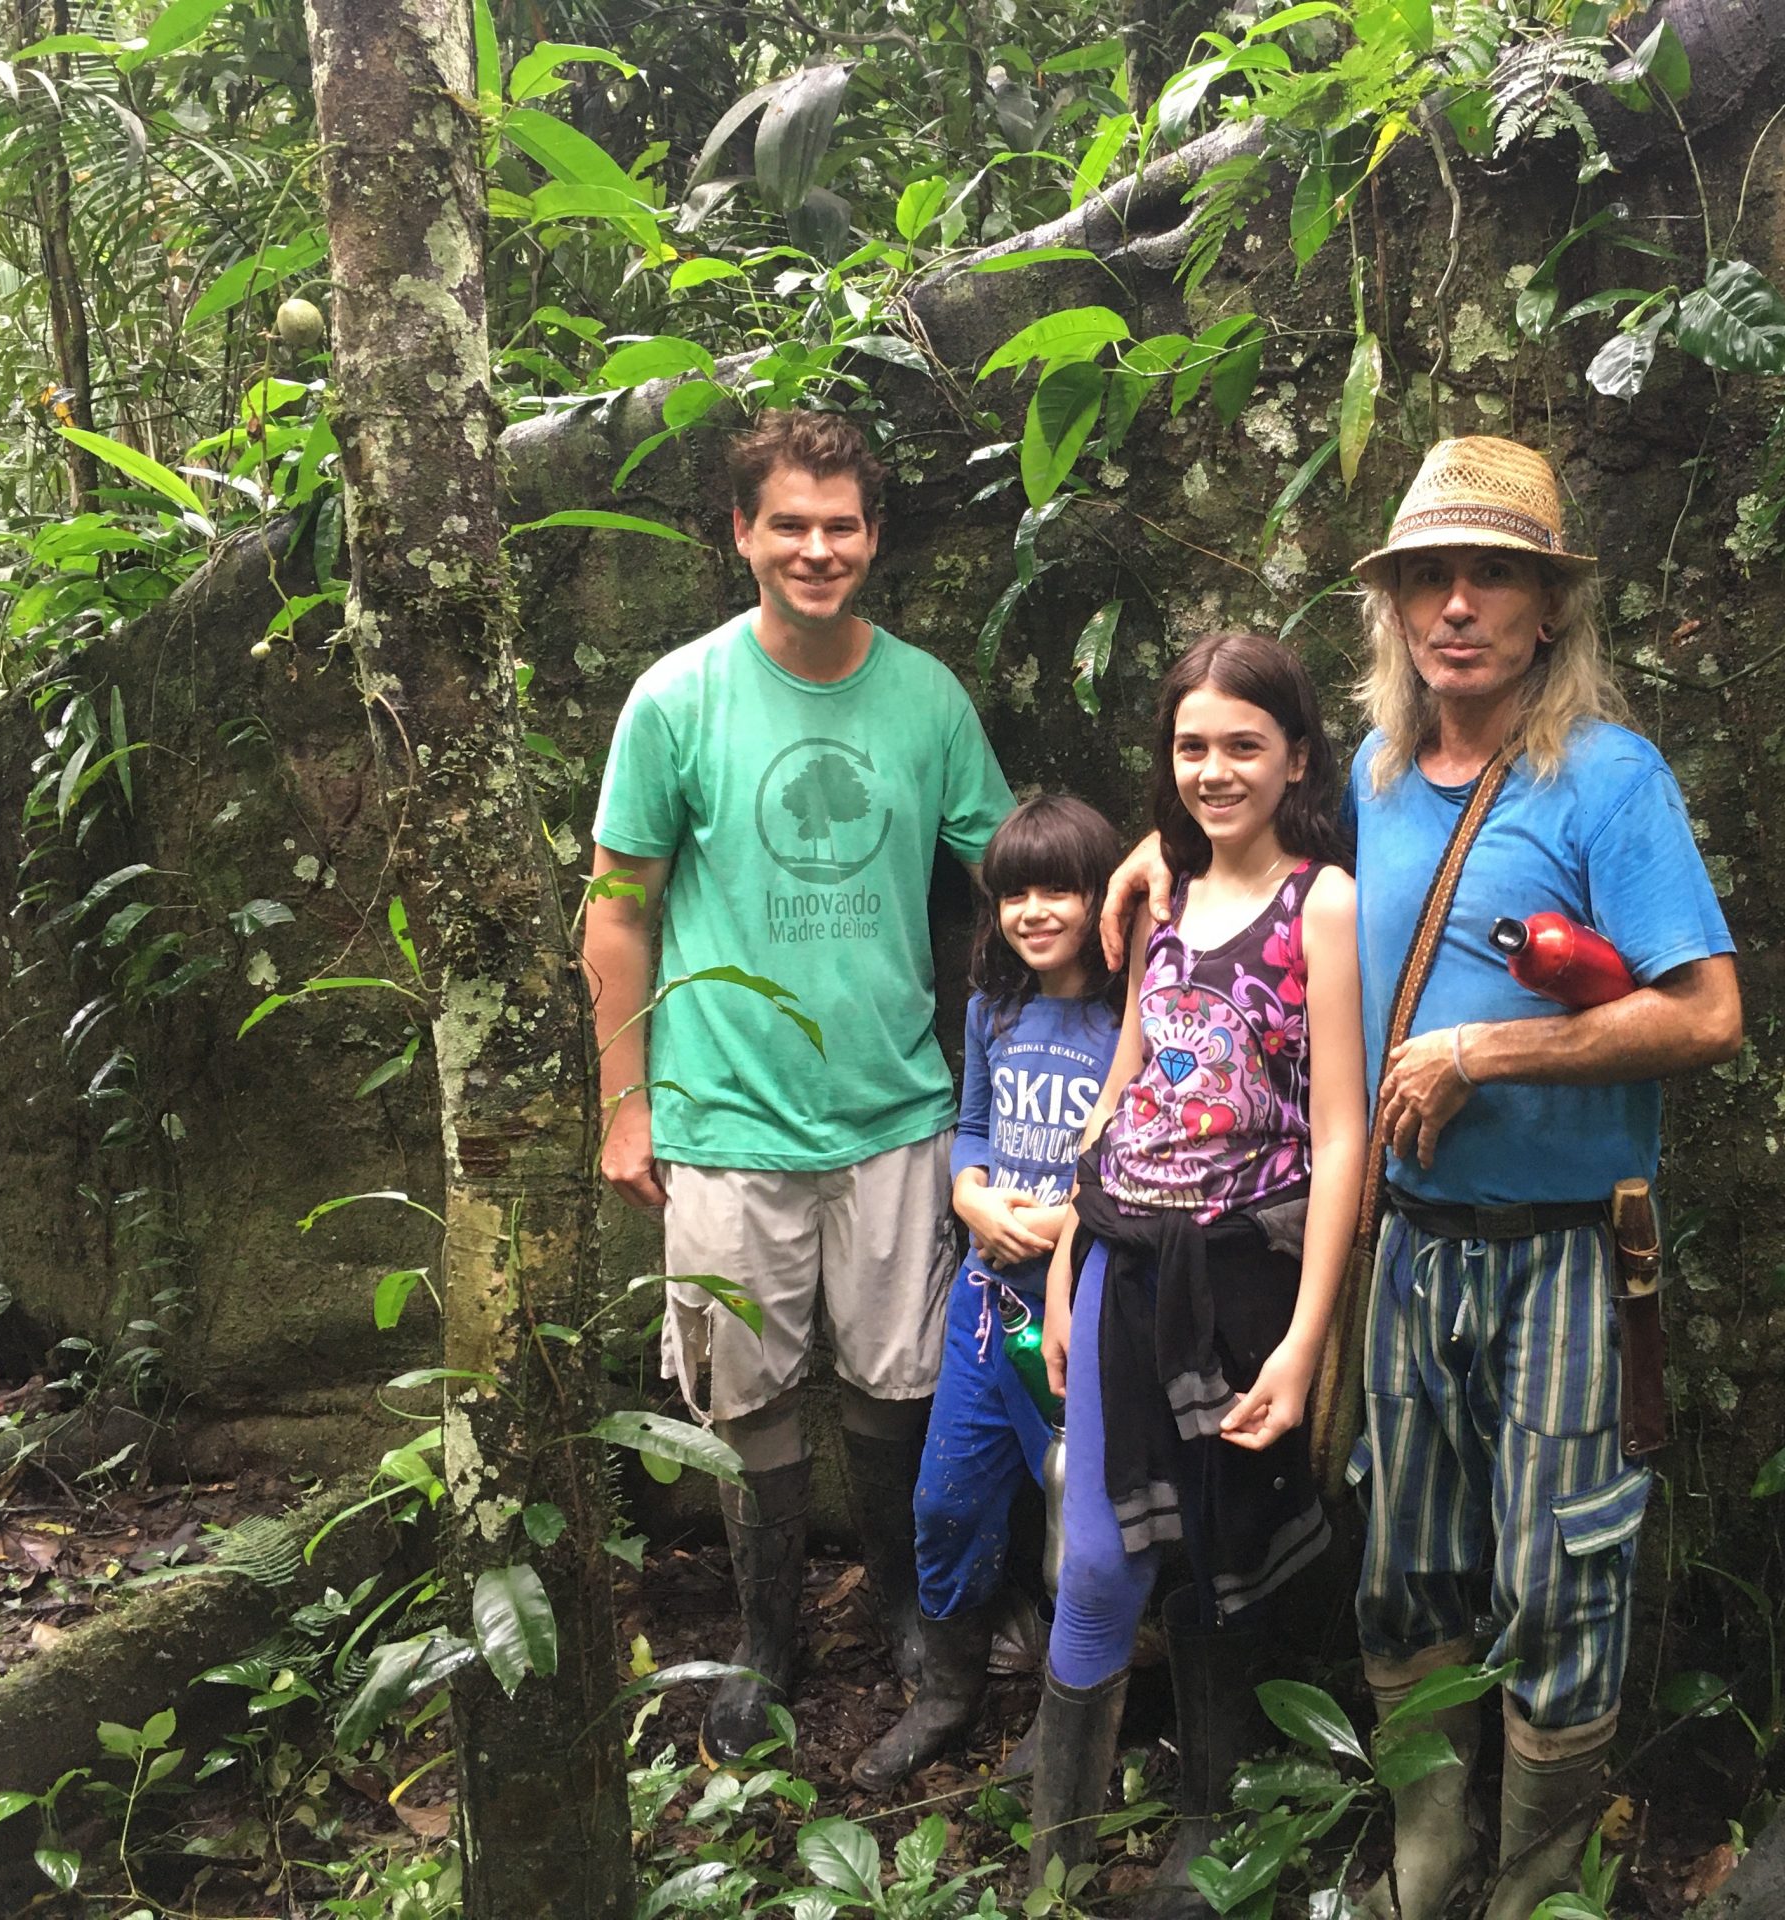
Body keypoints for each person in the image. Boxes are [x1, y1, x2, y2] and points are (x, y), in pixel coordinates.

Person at [1102, 438, 1743, 1920]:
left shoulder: (1605, 782)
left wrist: (1488, 1053)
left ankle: (1528, 1885)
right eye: (1428, 581)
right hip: (1411, 1250)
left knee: (1559, 1577)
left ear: (1543, 610)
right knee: (1408, 1570)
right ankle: (1424, 1860)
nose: (1458, 607)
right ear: (1394, 609)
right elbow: (1251, 831)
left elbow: (1707, 1012)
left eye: (1492, 578)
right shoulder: (1380, 782)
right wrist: (1154, 840)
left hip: (1570, 1253)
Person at [583, 409, 1016, 1763]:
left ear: (873, 540)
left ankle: (897, 1599)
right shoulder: (676, 698)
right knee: (745, 1390)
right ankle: (767, 1638)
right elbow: (616, 908)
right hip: (724, 1109)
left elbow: (1016, 871)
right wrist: (625, 1099)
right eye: (791, 524)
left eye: (841, 526)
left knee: (900, 1382)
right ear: (742, 534)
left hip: (894, 1102)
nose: (817, 549)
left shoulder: (927, 698)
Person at [1028, 632, 1365, 1904]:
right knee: (1103, 1551)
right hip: (1123, 1250)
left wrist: (1302, 1339)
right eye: (1191, 747)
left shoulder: (1319, 900)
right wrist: (1067, 1247)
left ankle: (1211, 1830)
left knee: (1222, 1553)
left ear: (1295, 758)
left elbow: (1341, 1133)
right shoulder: (1160, 883)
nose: (1214, 771)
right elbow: (1126, 1078)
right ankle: (1055, 1859)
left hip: (1242, 1278)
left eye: (1242, 746)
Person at [851, 795, 1123, 1790]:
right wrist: (968, 1193)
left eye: (1059, 888)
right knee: (948, 1502)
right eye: (1014, 892)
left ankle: (1068, 1719)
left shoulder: (1128, 1016)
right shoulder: (993, 1012)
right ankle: (949, 1693)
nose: (1034, 910)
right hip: (983, 1308)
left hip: (1082, 1312)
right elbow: (973, 1124)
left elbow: (1142, 1153)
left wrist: (1060, 1225)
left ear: (1104, 898)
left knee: (1075, 1530)